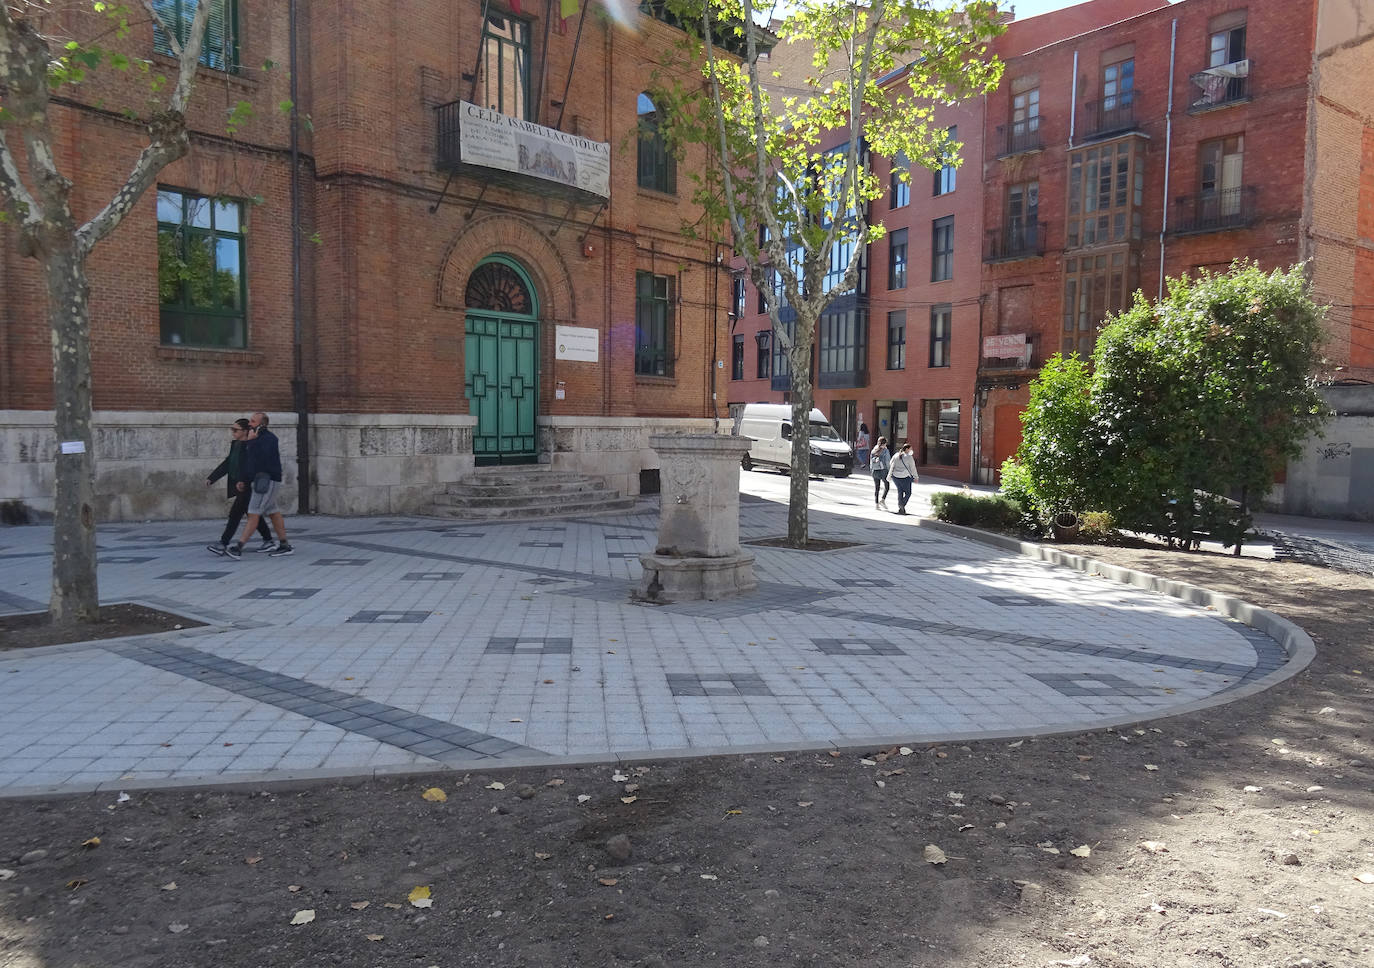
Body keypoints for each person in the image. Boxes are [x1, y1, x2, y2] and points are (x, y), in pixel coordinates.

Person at [225, 411, 294, 560]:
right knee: (273, 511)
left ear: (262, 425)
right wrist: (244, 479)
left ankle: (239, 547)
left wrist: (251, 442)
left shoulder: (269, 439)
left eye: (253, 422)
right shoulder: (255, 438)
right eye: (250, 421)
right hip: (259, 480)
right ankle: (284, 545)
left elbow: (262, 458)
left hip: (267, 481)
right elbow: (250, 463)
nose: (250, 424)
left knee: (253, 511)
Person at [205, 418, 274, 556]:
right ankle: (269, 540)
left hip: (248, 484)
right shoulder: (236, 444)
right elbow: (228, 463)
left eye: (235, 430)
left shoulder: (251, 445)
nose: (233, 432)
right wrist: (212, 477)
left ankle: (223, 543)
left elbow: (252, 466)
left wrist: (244, 480)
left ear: (245, 431)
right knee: (253, 515)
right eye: (232, 429)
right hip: (239, 484)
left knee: (235, 514)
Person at [888, 441, 919, 515]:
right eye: (911, 449)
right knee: (908, 493)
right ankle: (902, 505)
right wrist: (916, 477)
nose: (911, 450)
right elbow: (913, 468)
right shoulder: (909, 457)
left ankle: (901, 508)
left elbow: (890, 463)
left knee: (900, 491)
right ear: (907, 449)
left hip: (895, 477)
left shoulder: (896, 455)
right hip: (905, 477)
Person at [869, 435, 891, 509]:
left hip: (874, 471)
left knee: (877, 487)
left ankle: (876, 504)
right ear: (884, 444)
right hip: (883, 470)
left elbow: (871, 461)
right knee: (887, 486)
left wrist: (871, 470)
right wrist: (889, 471)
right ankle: (883, 500)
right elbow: (887, 462)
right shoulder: (885, 451)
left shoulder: (874, 450)